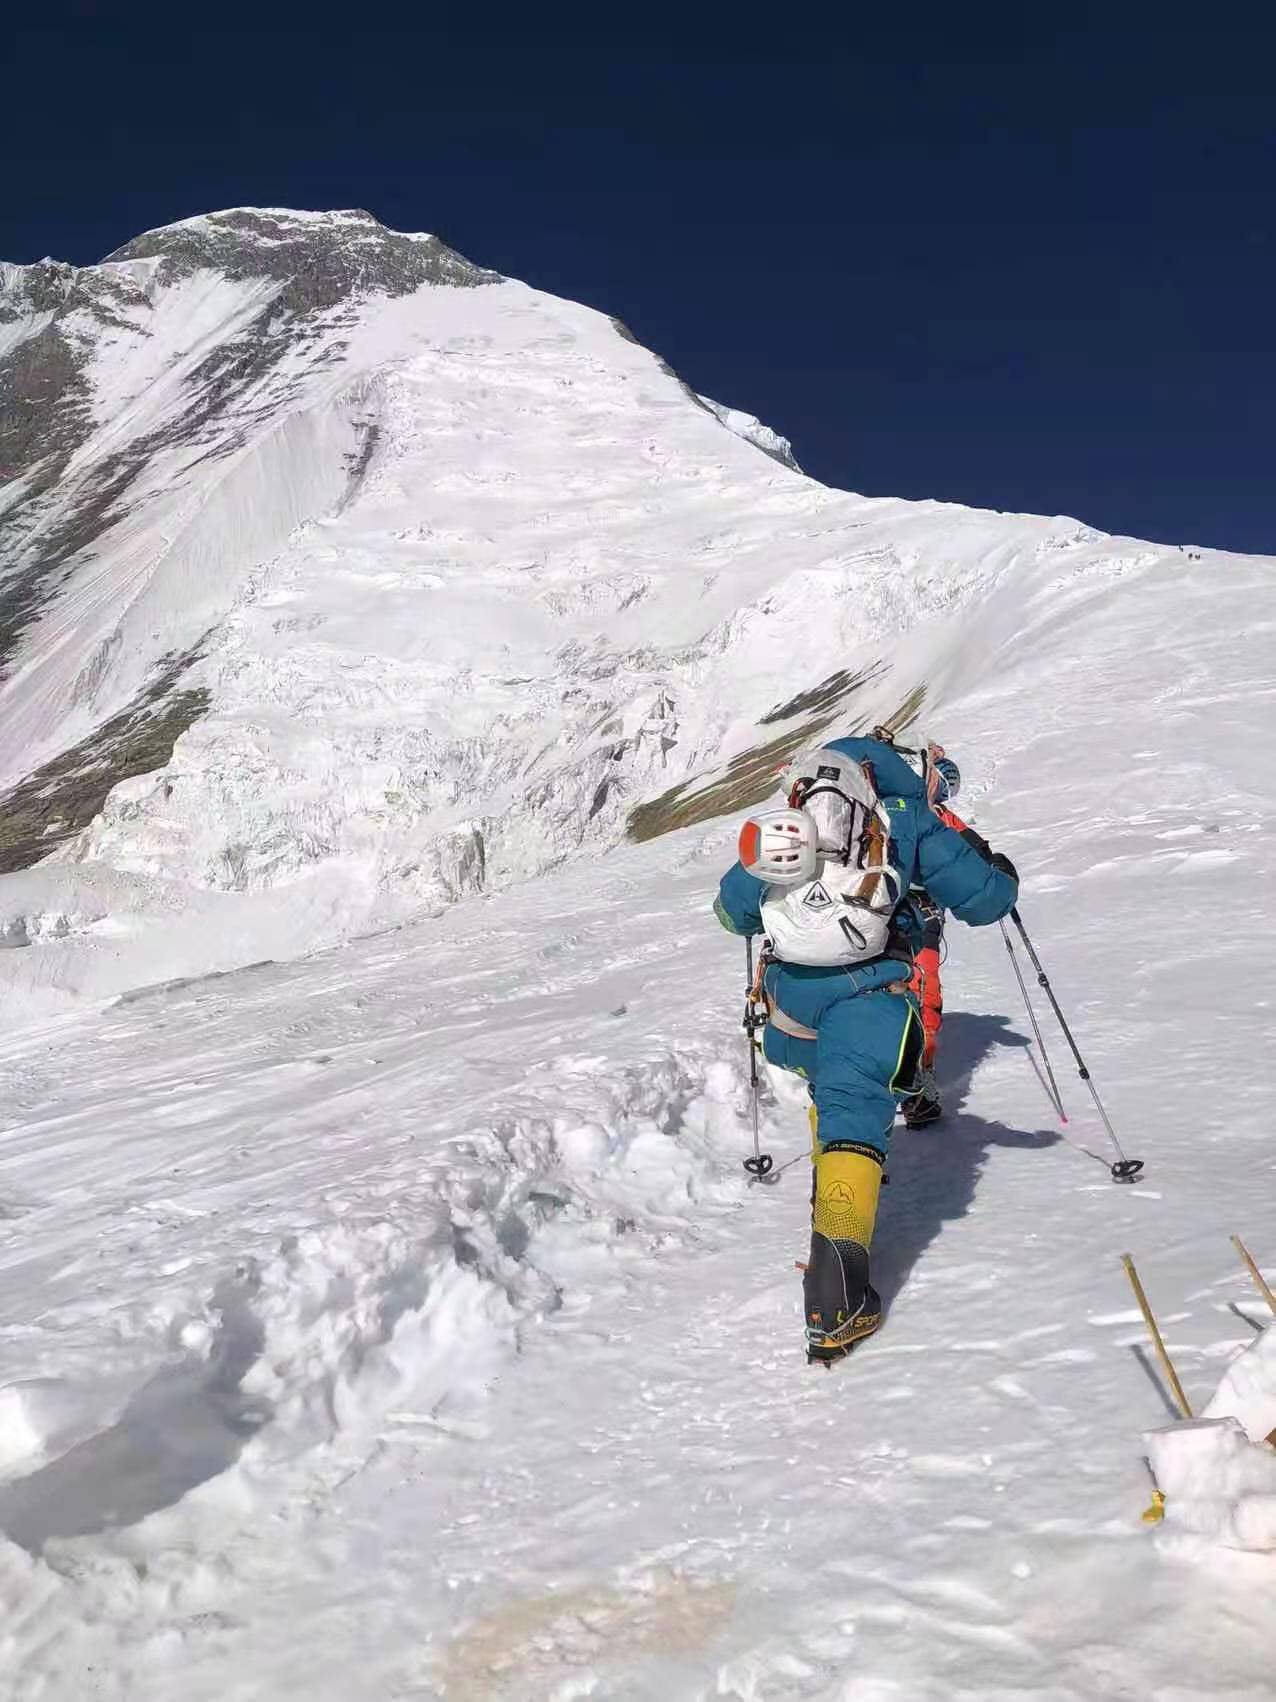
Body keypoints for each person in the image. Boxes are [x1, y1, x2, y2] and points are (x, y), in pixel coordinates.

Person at [714, 734, 1018, 1362]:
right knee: (855, 1107)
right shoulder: (904, 818)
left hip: (791, 1007)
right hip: (870, 993)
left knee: (832, 1098)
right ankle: (837, 1299)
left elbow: (733, 915)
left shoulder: (789, 825)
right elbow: (988, 899)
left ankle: (832, 1202)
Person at [899, 746, 967, 1129]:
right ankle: (918, 1086)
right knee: (923, 997)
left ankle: (908, 1083)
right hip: (922, 918)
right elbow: (968, 859)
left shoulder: (894, 811)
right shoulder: (939, 819)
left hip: (887, 916)